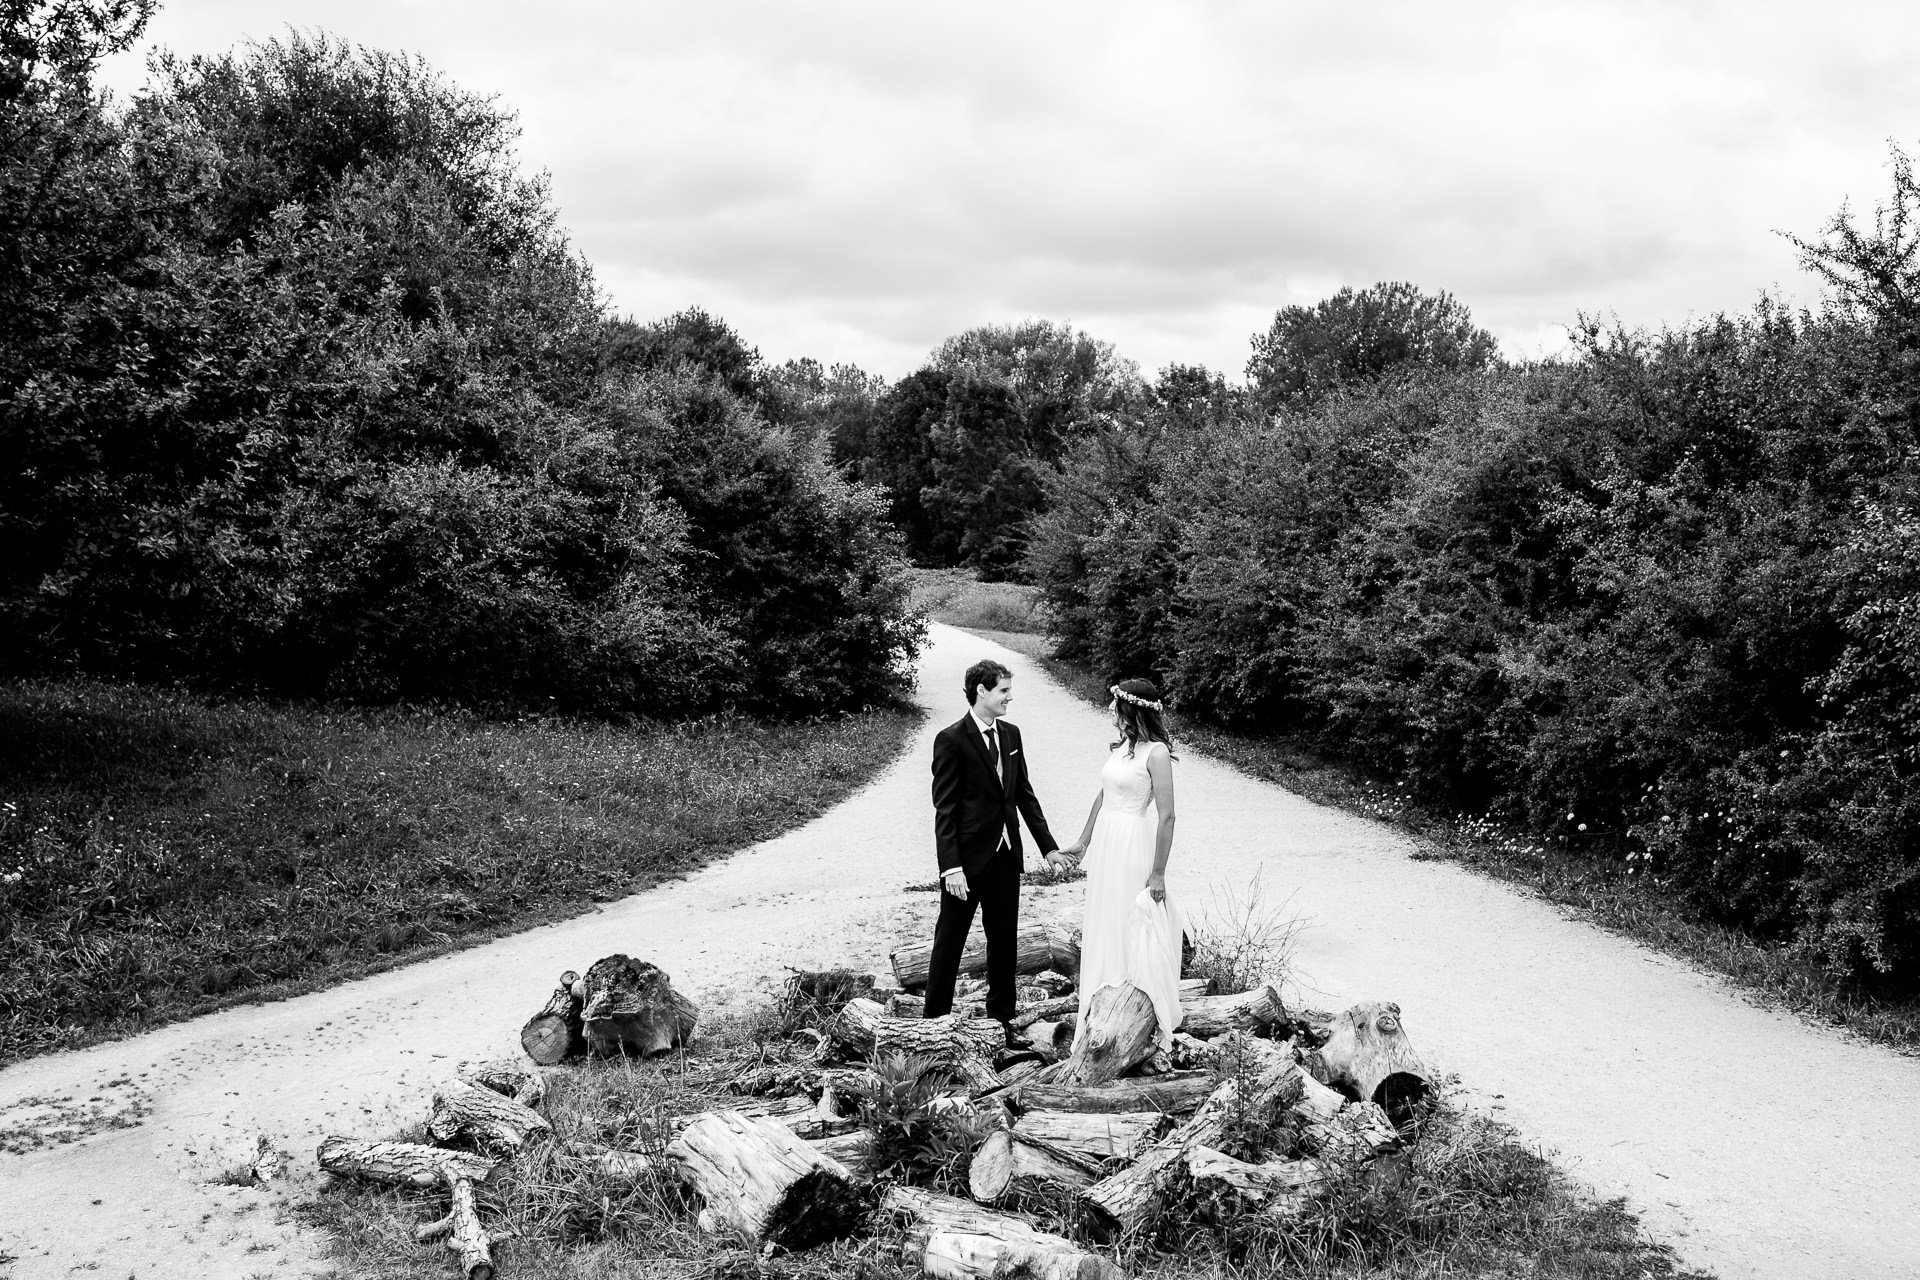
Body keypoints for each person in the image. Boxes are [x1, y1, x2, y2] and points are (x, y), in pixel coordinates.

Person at [926, 658, 1068, 1047]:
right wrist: (950, 866)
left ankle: (1001, 1022)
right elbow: (946, 810)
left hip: (1006, 856)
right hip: (966, 864)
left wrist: (1049, 847)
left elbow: (1023, 794)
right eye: (1003, 690)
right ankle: (934, 1022)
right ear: (981, 691)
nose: (1010, 697)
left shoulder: (1012, 735)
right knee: (950, 940)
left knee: (1004, 941)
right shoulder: (951, 739)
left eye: (1009, 689)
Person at [1054, 678, 1185, 1052]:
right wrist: (1083, 842)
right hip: (1108, 843)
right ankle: (1097, 1004)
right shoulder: (1123, 747)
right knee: (1104, 919)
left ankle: (1132, 1014)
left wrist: (1158, 872)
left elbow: (1168, 816)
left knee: (1129, 922)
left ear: (1132, 709)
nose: (1111, 712)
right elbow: (1103, 794)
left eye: (1116, 706)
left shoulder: (1155, 753)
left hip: (1131, 842)